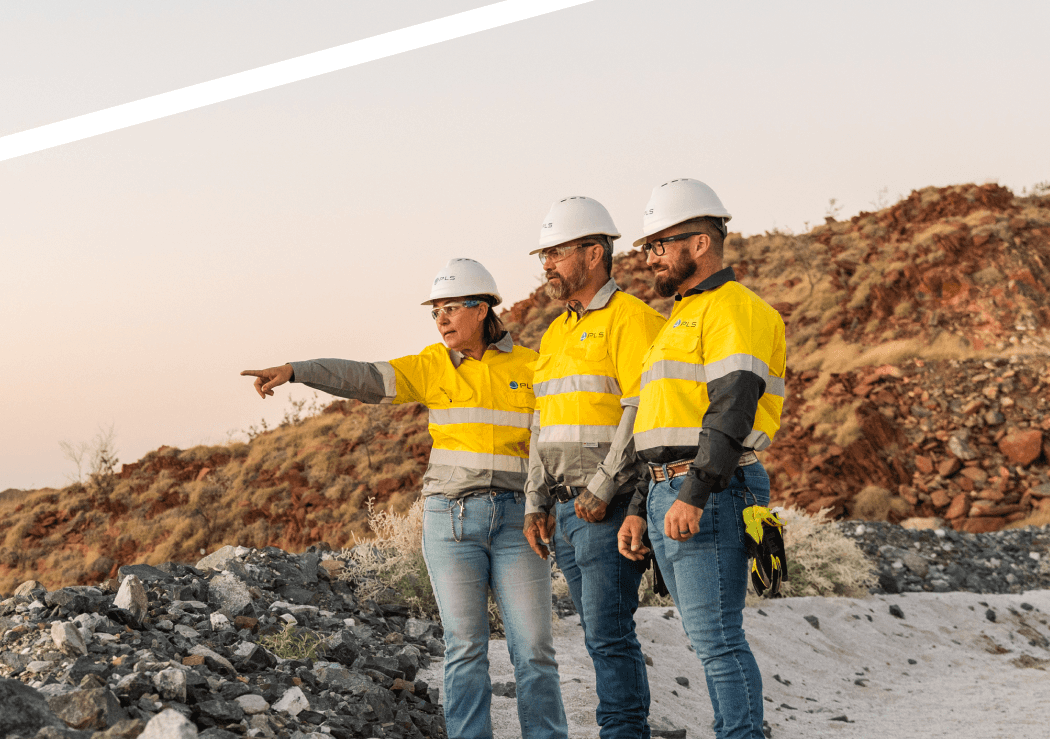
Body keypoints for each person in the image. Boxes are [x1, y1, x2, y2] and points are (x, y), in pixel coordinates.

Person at [241, 258, 567, 739]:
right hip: (450, 522)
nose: (441, 319)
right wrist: (296, 370)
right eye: (435, 311)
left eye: (451, 308)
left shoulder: (534, 366)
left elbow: (558, 437)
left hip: (521, 520)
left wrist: (553, 503)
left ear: (482, 309)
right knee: (465, 646)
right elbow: (363, 377)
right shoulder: (430, 366)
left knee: (535, 648)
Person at [614, 179, 786, 739]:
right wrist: (642, 503)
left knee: (716, 638)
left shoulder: (737, 310)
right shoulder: (679, 321)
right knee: (707, 636)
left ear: (700, 244)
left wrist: (693, 491)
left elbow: (732, 411)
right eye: (648, 247)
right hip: (672, 487)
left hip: (710, 487)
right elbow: (659, 426)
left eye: (659, 245)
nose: (650, 258)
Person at [520, 196, 663, 739]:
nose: (547, 264)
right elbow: (542, 420)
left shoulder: (633, 320)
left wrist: (604, 486)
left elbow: (641, 407)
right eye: (545, 254)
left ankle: (623, 733)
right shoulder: (555, 333)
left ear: (595, 252)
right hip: (566, 507)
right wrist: (536, 499)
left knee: (608, 633)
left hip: (609, 505)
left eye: (556, 252)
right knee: (598, 634)